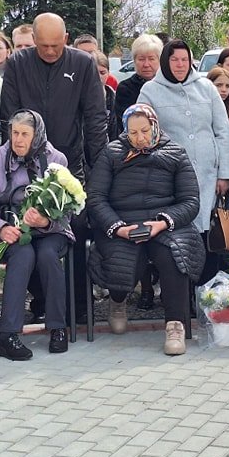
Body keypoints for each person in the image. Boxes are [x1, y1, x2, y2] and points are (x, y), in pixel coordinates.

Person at [0, 13, 107, 319]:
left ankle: (79, 305)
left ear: (66, 38)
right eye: (43, 45)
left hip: (70, 162)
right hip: (27, 163)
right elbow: (9, 115)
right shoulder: (18, 64)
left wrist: (100, 168)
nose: (49, 51)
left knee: (76, 227)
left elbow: (95, 117)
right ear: (33, 40)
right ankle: (42, 301)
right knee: (30, 228)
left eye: (56, 45)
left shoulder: (82, 64)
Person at [86, 104, 203, 355]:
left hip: (164, 224)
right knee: (124, 258)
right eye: (133, 132)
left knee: (174, 257)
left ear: (155, 127)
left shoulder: (176, 153)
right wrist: (118, 228)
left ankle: (175, 325)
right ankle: (118, 301)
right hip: (123, 222)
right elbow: (96, 198)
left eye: (145, 131)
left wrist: (162, 223)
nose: (139, 138)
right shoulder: (112, 153)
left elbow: (190, 200)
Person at [0, 110, 73, 360]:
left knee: (48, 255)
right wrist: (0, 228)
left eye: (24, 134)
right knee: (23, 254)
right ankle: (6, 335)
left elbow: (67, 210)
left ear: (36, 135)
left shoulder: (56, 159)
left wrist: (46, 220)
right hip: (11, 229)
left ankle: (58, 327)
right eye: (14, 133)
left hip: (50, 230)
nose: (18, 140)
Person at [138, 39, 229, 242]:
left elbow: (223, 131)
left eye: (185, 59)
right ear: (165, 61)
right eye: (175, 60)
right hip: (171, 175)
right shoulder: (150, 90)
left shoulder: (207, 87)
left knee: (209, 230)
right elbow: (142, 133)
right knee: (179, 230)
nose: (180, 65)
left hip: (208, 174)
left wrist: (225, 174)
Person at [114, 33, 163, 138]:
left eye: (151, 59)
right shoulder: (125, 89)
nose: (146, 64)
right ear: (134, 61)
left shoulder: (168, 86)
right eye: (141, 59)